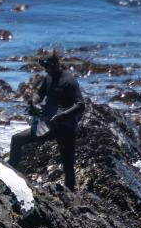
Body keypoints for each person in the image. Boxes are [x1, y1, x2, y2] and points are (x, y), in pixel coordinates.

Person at [8, 53, 84, 190]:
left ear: (56, 65)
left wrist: (62, 116)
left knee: (68, 163)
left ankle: (71, 193)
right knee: (17, 139)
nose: (45, 70)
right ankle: (9, 177)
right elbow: (40, 94)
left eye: (48, 67)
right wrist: (34, 101)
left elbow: (80, 105)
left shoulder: (69, 80)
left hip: (65, 128)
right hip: (47, 125)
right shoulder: (48, 78)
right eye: (44, 67)